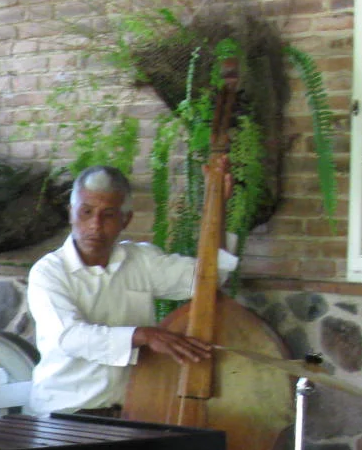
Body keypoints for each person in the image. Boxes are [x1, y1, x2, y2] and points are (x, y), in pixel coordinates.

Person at [27, 165, 233, 417]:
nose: (95, 225)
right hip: (64, 413)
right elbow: (70, 337)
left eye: (108, 215)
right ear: (71, 213)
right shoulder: (48, 272)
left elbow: (210, 279)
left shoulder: (142, 261)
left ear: (126, 219)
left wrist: (218, 209)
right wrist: (144, 335)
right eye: (86, 212)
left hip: (133, 412)